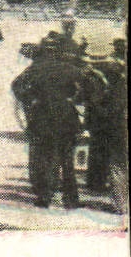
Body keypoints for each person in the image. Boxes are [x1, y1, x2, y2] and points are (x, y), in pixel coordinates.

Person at [12, 39, 101, 209]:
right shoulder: (69, 69)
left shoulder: (35, 69)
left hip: (42, 117)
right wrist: (77, 99)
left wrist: (31, 99)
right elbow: (90, 85)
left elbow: (16, 85)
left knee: (44, 158)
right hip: (66, 117)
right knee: (67, 160)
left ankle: (45, 197)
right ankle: (71, 199)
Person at [83, 38, 125, 197]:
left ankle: (95, 183)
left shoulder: (89, 75)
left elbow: (84, 98)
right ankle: (109, 185)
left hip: (96, 119)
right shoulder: (117, 75)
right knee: (113, 154)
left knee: (96, 150)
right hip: (113, 119)